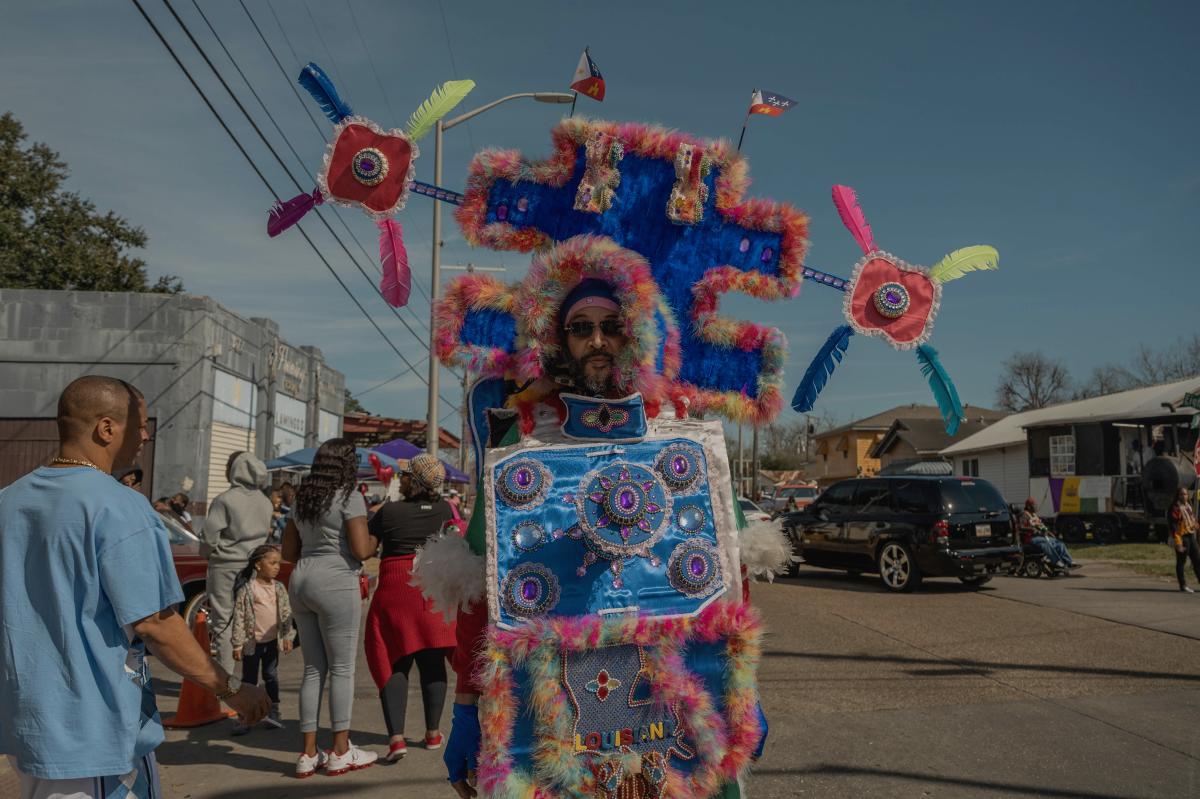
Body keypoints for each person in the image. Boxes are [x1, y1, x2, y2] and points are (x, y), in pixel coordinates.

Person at [0, 376, 268, 799]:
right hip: (95, 730)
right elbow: (156, 625)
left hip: (25, 724)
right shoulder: (120, 506)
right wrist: (231, 688)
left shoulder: (9, 501)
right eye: (140, 424)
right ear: (106, 428)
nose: (145, 435)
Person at [282, 438, 379, 777]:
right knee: (341, 669)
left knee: (312, 669)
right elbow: (361, 550)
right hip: (335, 580)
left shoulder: (302, 500)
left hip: (301, 578)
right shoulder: (349, 497)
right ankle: (340, 749)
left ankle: (307, 753)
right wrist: (376, 538)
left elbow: (288, 553)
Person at [365, 454, 458, 762]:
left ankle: (396, 740)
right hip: (432, 590)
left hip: (396, 590)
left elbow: (365, 550)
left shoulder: (387, 511)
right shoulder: (446, 509)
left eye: (405, 475)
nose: (400, 479)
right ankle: (433, 734)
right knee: (433, 661)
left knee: (394, 661)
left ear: (412, 482)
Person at [202, 451, 274, 676]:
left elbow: (209, 537)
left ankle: (226, 682)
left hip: (226, 566)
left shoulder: (225, 500)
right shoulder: (266, 502)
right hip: (255, 567)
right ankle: (249, 681)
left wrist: (209, 555)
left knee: (223, 622)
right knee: (251, 622)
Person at [230, 544, 295, 734]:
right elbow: (239, 616)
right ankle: (245, 715)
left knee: (271, 676)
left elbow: (286, 614)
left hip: (272, 643)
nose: (277, 567)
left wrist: (287, 636)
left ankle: (273, 710)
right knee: (249, 680)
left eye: (279, 564)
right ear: (258, 565)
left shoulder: (279, 588)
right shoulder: (248, 589)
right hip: (252, 644)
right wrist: (237, 644)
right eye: (272, 563)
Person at [1017, 499, 1079, 572]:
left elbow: (1041, 526)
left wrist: (1049, 532)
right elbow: (1021, 527)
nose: (1036, 507)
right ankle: (1056, 562)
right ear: (1028, 506)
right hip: (1031, 538)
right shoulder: (1024, 515)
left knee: (1059, 543)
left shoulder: (1034, 515)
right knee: (1046, 544)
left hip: (1041, 536)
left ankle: (1069, 562)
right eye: (1034, 505)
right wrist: (1032, 529)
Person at [1170, 488, 1200, 593]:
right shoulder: (1175, 508)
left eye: (1185, 494)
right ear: (1178, 495)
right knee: (1181, 562)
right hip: (1182, 537)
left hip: (1191, 536)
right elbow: (1173, 527)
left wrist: (1195, 524)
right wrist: (1178, 543)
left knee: (1197, 560)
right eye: (1181, 494)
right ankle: (1183, 585)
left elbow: (1191, 518)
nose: (1184, 496)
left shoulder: (1188, 505)